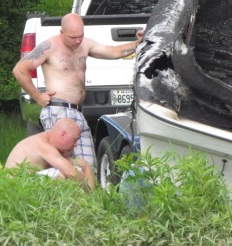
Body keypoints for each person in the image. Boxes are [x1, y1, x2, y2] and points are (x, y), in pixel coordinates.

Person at [13, 13, 143, 169]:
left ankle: (88, 193)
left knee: (88, 165)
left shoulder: (85, 44)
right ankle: (62, 192)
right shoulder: (49, 46)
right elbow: (20, 70)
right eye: (72, 37)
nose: (77, 41)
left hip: (78, 112)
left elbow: (114, 52)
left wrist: (139, 42)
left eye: (80, 36)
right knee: (65, 164)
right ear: (62, 32)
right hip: (58, 111)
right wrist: (37, 96)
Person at [5, 118, 95, 191]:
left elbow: (85, 166)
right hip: (14, 186)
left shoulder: (53, 146)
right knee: (60, 174)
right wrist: (88, 192)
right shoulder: (42, 144)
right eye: (74, 140)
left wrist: (92, 195)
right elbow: (70, 172)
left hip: (27, 183)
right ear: (63, 135)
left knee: (77, 170)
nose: (75, 145)